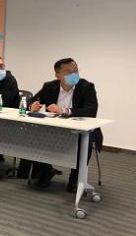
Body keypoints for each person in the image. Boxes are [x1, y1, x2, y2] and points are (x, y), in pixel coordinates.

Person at [29, 58, 102, 192]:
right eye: (68, 72)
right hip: (54, 128)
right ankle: (46, 171)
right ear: (58, 75)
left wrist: (65, 111)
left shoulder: (87, 87)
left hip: (81, 129)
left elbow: (91, 111)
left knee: (84, 141)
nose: (74, 74)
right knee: (33, 137)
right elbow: (32, 101)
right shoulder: (49, 86)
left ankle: (75, 179)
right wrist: (32, 106)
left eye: (75, 70)